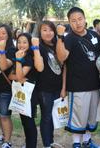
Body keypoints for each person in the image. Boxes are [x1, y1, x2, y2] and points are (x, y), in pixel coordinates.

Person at [56, 7, 100, 148]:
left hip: (95, 84)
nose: (78, 23)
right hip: (77, 86)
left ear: (85, 18)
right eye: (73, 20)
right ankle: (76, 143)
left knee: (91, 116)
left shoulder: (94, 36)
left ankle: (87, 141)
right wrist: (59, 37)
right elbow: (62, 57)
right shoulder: (68, 38)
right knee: (78, 117)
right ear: (69, 22)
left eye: (80, 19)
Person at [8, 33, 43, 148]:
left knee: (29, 122)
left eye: (24, 42)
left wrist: (18, 61)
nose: (21, 45)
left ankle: (31, 145)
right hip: (22, 93)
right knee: (25, 121)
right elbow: (11, 76)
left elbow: (18, 76)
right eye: (19, 42)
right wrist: (19, 76)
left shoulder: (28, 57)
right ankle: (29, 144)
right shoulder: (19, 54)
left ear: (29, 43)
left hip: (30, 94)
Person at [36, 20, 63, 148]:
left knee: (52, 116)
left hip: (58, 87)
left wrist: (64, 88)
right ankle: (47, 144)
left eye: (51, 30)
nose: (48, 33)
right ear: (39, 32)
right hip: (44, 89)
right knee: (46, 116)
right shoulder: (38, 47)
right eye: (44, 30)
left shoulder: (58, 44)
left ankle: (50, 141)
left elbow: (65, 67)